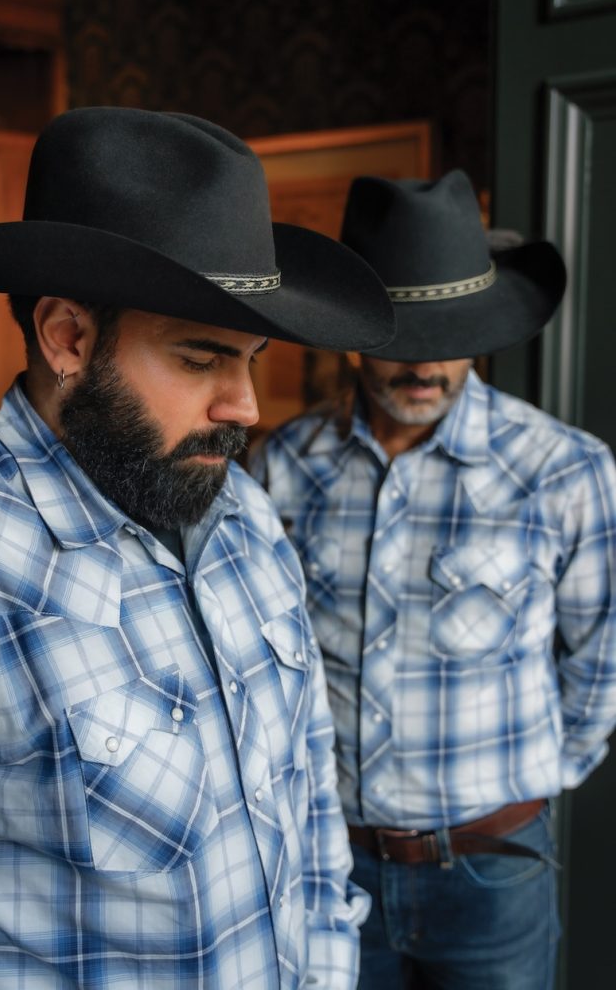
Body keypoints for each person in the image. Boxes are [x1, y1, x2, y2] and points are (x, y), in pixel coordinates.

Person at [0, 107, 397, 989]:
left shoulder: (243, 512)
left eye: (250, 359)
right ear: (69, 338)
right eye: (201, 359)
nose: (244, 405)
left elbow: (308, 799)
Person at [249, 169, 616, 990]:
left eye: (450, 333)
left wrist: (531, 784)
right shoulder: (281, 465)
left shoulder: (564, 470)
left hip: (494, 868)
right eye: (400, 336)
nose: (426, 364)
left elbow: (605, 655)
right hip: (330, 865)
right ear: (351, 334)